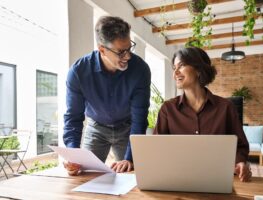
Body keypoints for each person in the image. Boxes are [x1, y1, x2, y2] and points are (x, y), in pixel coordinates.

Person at [63, 16, 151, 175]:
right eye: (121, 52)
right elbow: (73, 116)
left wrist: (130, 158)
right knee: (83, 174)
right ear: (102, 49)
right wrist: (73, 154)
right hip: (96, 128)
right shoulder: (78, 72)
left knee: (133, 175)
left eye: (129, 48)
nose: (128, 56)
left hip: (128, 127)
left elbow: (140, 117)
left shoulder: (140, 70)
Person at [153, 47, 251, 182]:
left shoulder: (226, 108)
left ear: (198, 69)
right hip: (177, 179)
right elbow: (157, 149)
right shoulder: (168, 109)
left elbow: (240, 146)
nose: (175, 73)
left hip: (218, 179)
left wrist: (240, 162)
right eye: (174, 68)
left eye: (181, 66)